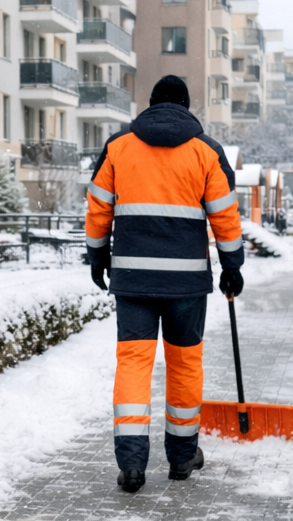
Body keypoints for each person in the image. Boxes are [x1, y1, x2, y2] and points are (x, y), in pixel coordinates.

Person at [84, 74, 244, 492]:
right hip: (186, 284)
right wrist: (232, 264)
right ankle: (182, 456)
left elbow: (98, 207)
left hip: (133, 279)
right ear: (187, 108)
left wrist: (98, 256)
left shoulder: (119, 148)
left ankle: (133, 465)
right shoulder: (205, 151)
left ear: (151, 105)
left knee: (134, 364)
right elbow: (225, 214)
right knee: (184, 364)